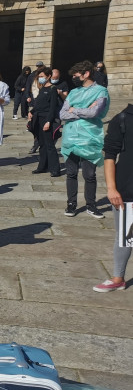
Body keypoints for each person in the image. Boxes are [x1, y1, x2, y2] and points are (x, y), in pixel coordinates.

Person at [60, 60, 110, 219]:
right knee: (71, 173)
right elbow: (62, 114)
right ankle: (71, 204)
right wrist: (83, 110)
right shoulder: (74, 92)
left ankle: (91, 205)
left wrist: (74, 110)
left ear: (86, 74)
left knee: (89, 174)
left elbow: (95, 113)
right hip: (71, 137)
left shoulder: (101, 91)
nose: (74, 78)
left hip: (89, 138)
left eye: (76, 75)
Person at [96, 104, 132, 292]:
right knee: (125, 236)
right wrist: (111, 189)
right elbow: (109, 156)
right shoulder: (122, 119)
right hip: (127, 189)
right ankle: (118, 277)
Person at [28, 67, 61, 177]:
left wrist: (48, 122)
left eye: (42, 76)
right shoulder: (42, 89)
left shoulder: (53, 89)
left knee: (49, 145)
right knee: (41, 144)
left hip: (46, 119)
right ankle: (42, 166)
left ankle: (55, 169)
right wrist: (31, 111)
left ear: (49, 76)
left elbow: (52, 108)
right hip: (38, 118)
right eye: (39, 77)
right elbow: (38, 105)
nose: (40, 78)